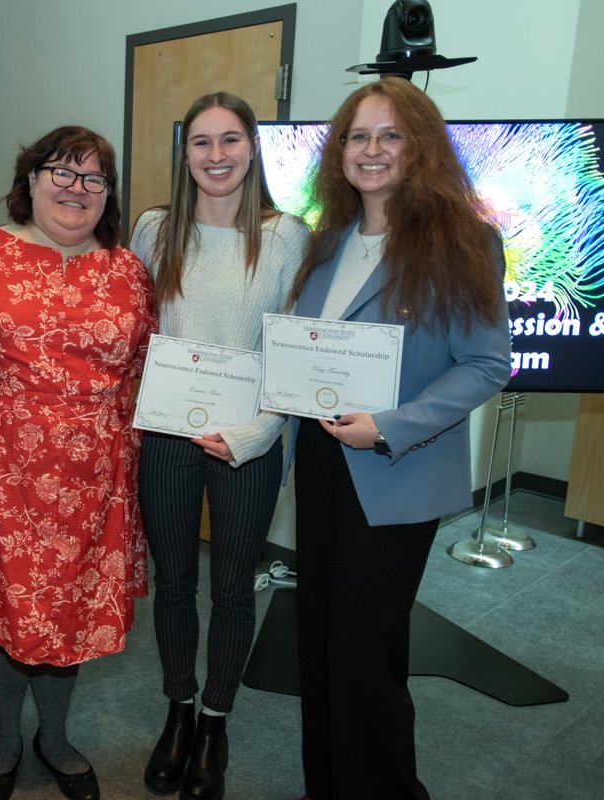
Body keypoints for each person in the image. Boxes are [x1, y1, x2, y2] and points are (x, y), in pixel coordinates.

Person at [286, 77, 511, 800]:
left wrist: (390, 424)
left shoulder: (463, 242)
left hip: (396, 468)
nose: (372, 150)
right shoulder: (326, 244)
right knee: (319, 640)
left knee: (361, 653)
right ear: (340, 153)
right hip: (322, 463)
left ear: (419, 148)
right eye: (358, 136)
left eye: (390, 136)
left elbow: (486, 363)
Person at [0, 126, 156, 800]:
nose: (75, 187)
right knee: (3, 613)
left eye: (93, 178)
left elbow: (149, 371)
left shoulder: (128, 272)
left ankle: (54, 738)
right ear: (28, 181)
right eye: (59, 170)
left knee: (70, 614)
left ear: (108, 197)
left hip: (96, 479)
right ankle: (5, 736)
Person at [129, 92, 309, 800]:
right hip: (169, 434)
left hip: (250, 440)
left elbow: (289, 351)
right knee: (173, 583)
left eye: (230, 140)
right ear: (185, 154)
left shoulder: (287, 235)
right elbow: (133, 329)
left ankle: (215, 722)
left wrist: (258, 431)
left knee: (234, 588)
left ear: (253, 147)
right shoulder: (153, 230)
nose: (216, 156)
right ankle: (177, 709)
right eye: (201, 142)